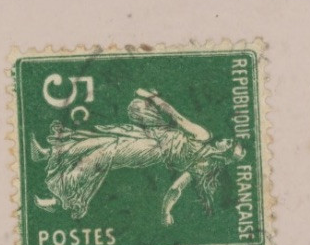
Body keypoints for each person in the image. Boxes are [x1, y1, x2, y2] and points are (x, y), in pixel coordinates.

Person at [30, 88, 244, 225]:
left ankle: (58, 199)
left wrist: (154, 98)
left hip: (151, 149)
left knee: (103, 153)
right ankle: (49, 153)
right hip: (154, 132)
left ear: (225, 151)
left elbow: (177, 118)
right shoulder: (203, 157)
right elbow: (175, 188)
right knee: (103, 137)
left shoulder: (203, 141)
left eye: (229, 143)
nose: (225, 140)